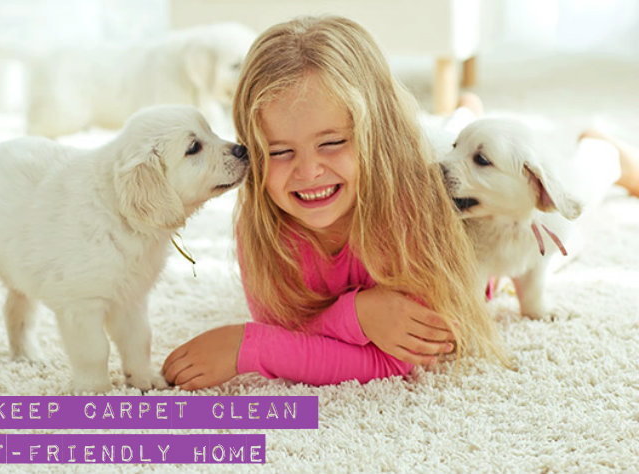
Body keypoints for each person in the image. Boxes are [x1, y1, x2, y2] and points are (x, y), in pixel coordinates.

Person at [161, 16, 638, 390]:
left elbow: (400, 356)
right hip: (442, 153)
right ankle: (465, 114)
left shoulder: (412, 214)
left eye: (331, 142)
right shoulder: (265, 227)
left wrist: (252, 348)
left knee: (577, 193)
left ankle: (603, 150)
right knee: (454, 135)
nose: (307, 172)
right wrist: (359, 312)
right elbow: (291, 327)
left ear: (378, 138)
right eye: (280, 151)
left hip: (488, 209)